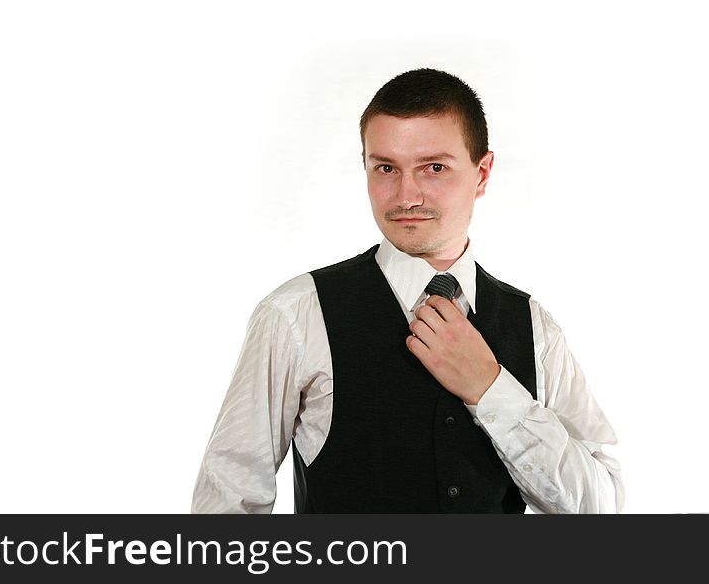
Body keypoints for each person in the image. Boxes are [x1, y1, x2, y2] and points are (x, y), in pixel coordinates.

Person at [191, 68, 623, 514]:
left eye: (434, 167)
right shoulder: (297, 314)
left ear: (482, 172)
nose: (406, 196)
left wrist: (489, 388)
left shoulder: (534, 326)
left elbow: (600, 508)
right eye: (386, 168)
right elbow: (228, 499)